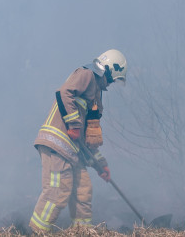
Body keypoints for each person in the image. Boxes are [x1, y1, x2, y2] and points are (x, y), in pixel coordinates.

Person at [29, 49, 127, 232]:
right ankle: (37, 232)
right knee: (57, 192)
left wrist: (101, 165)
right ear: (110, 68)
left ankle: (82, 232)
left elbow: (88, 139)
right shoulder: (87, 74)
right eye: (114, 78)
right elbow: (63, 93)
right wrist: (73, 124)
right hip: (56, 144)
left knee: (83, 190)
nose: (112, 83)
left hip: (72, 150)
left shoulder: (97, 95)